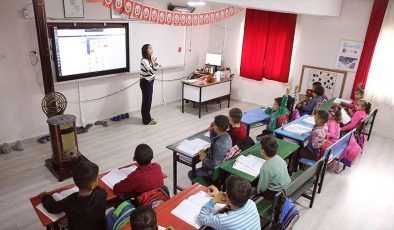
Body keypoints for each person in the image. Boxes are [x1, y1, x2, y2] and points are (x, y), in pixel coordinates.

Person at [39, 161, 107, 230]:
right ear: (93, 184)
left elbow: (53, 208)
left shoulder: (70, 201)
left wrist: (45, 197)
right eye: (97, 177)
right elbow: (97, 190)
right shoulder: (102, 193)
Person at [188, 115, 232, 180]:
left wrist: (203, 158)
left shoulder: (219, 144)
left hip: (215, 173)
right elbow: (214, 138)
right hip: (223, 168)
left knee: (191, 174)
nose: (213, 125)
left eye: (214, 124)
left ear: (217, 127)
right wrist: (211, 130)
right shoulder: (227, 135)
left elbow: (215, 165)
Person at [257, 136, 291, 200]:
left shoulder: (265, 168)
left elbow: (262, 188)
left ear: (263, 151)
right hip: (287, 186)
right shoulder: (279, 158)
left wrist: (255, 191)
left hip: (275, 193)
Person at [140, 44, 159, 125]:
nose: (152, 50)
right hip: (146, 83)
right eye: (150, 48)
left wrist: (155, 63)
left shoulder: (149, 58)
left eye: (152, 48)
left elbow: (155, 70)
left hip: (149, 81)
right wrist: (155, 63)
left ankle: (147, 117)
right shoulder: (144, 60)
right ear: (146, 50)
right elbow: (152, 71)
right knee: (147, 101)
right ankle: (146, 121)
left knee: (148, 100)